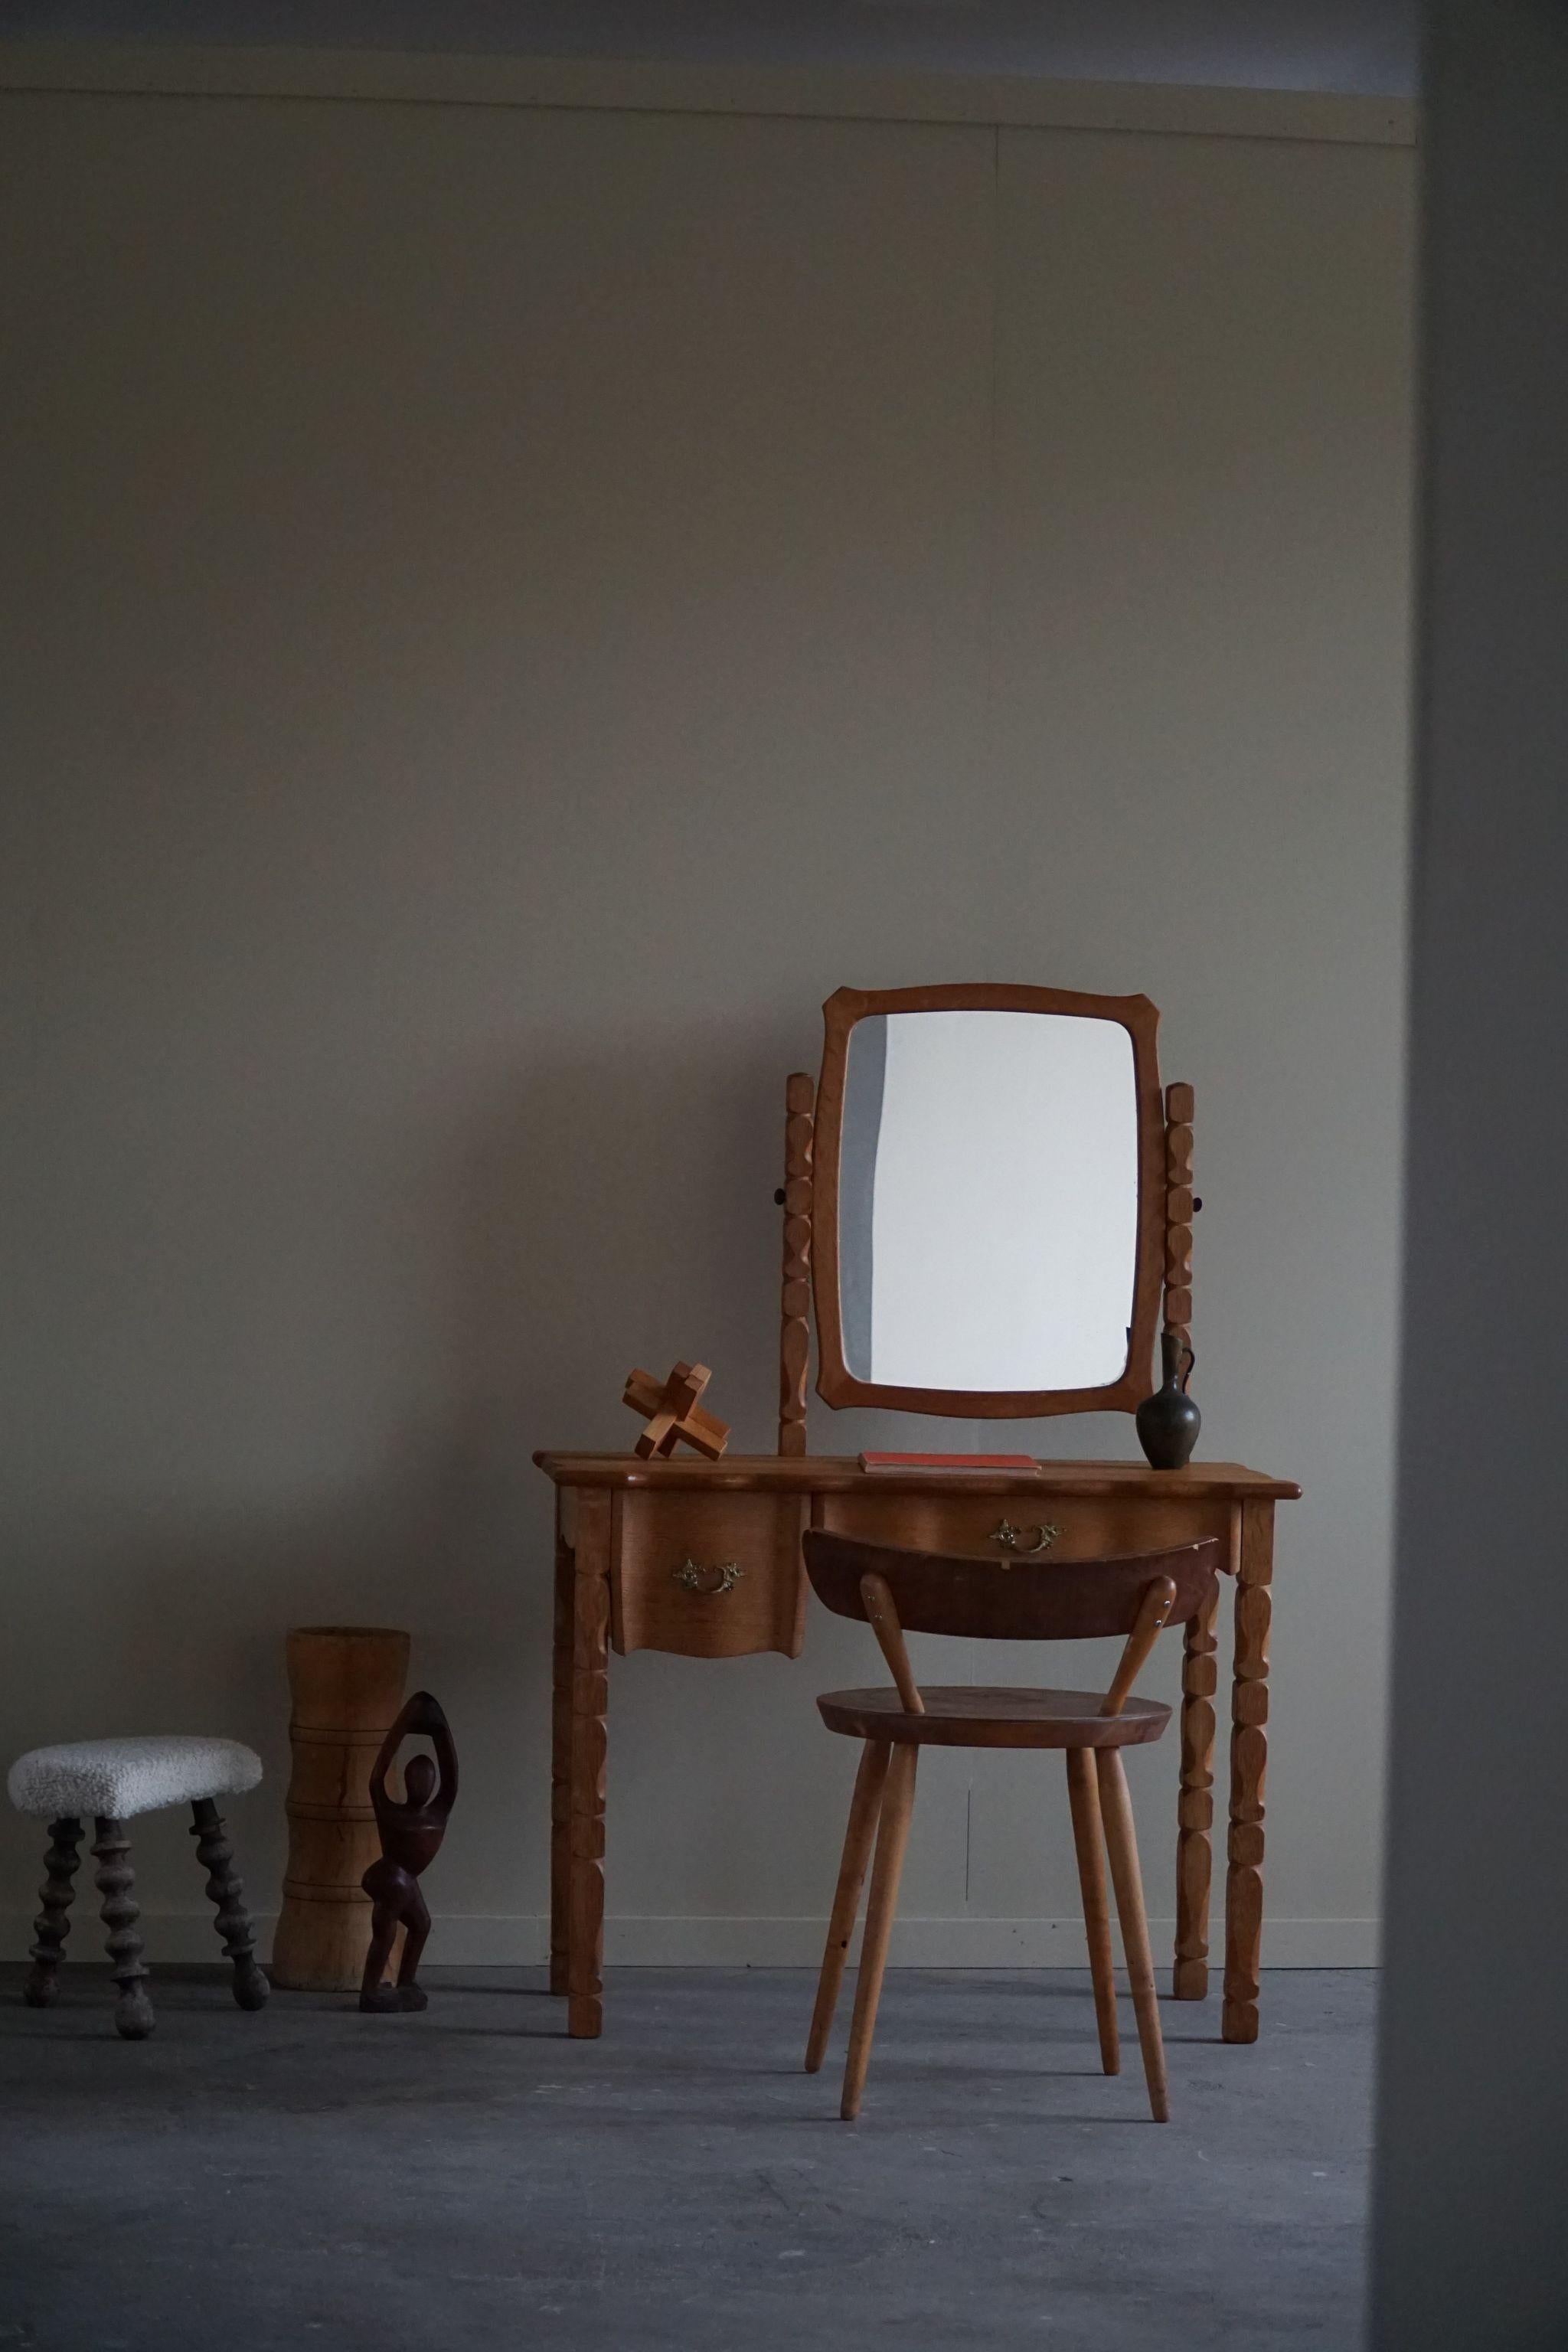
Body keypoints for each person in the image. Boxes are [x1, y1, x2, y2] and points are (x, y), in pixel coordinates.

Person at [358, 1692, 458, 2013]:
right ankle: (370, 1991)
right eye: (416, 1780)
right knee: (385, 1936)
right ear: (405, 1781)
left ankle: (407, 1982)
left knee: (421, 1925)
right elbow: (376, 1777)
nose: (422, 1787)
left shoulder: (437, 1812)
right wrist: (402, 1725)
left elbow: (452, 1776)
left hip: (407, 1881)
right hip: (391, 1879)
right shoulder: (390, 1812)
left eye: (427, 1781)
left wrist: (441, 1731)